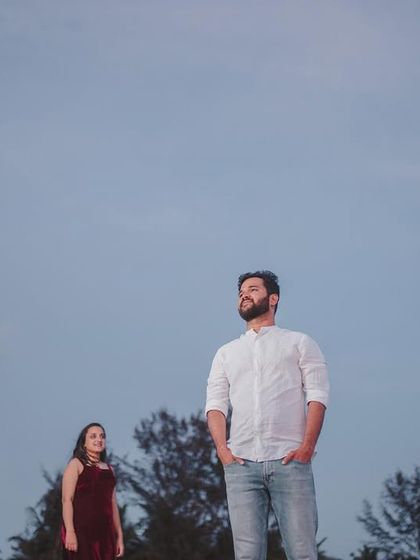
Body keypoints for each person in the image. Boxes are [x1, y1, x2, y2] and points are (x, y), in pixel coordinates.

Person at [205, 270, 330, 560]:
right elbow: (215, 406)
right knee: (247, 556)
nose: (244, 294)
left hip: (290, 461)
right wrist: (223, 451)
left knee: (302, 553)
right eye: (241, 292)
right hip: (240, 466)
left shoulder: (299, 342)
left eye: (253, 289)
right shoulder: (226, 353)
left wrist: (307, 447)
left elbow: (318, 396)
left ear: (273, 298)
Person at [61, 422, 124, 559]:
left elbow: (113, 504)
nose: (99, 440)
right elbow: (67, 500)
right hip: (81, 531)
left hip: (105, 533)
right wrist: (70, 531)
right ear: (84, 442)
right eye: (93, 436)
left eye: (102, 436)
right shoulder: (75, 465)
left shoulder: (110, 470)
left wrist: (119, 536)